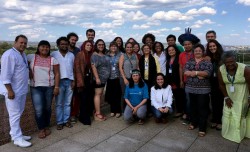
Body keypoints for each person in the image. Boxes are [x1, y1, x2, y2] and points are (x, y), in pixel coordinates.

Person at [0, 35, 32, 147]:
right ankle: (17, 139)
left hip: (21, 89)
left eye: (25, 43)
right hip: (12, 91)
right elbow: (5, 75)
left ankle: (16, 134)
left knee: (19, 113)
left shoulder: (22, 54)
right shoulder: (9, 55)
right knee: (14, 115)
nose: (23, 45)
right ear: (15, 42)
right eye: (21, 42)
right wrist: (9, 90)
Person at [27, 40, 60, 138]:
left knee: (47, 108)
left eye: (47, 47)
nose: (45, 48)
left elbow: (57, 74)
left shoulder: (53, 60)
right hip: (35, 87)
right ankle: (41, 129)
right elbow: (23, 64)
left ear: (49, 48)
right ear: (38, 47)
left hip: (49, 87)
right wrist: (29, 71)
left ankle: (46, 126)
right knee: (38, 109)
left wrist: (57, 87)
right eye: (42, 46)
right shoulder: (31, 57)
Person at [218, 51, 250, 143]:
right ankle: (230, 133)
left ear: (235, 59)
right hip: (229, 95)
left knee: (241, 112)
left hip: (242, 95)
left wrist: (249, 97)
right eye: (227, 62)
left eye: (232, 61)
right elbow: (221, 85)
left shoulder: (245, 69)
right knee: (229, 111)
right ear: (224, 62)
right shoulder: (221, 69)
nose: (230, 64)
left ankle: (242, 133)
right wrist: (226, 98)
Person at [184, 44, 213, 137]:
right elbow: (186, 72)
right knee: (193, 107)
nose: (197, 52)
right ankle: (193, 123)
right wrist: (199, 74)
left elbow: (207, 73)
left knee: (202, 108)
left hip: (203, 90)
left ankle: (202, 127)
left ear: (203, 51)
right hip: (191, 88)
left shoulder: (207, 62)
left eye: (199, 50)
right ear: (193, 52)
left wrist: (195, 72)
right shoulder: (190, 61)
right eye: (196, 51)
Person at [51, 37, 75, 130]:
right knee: (59, 103)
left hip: (69, 81)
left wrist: (74, 81)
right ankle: (59, 122)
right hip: (59, 82)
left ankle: (66, 120)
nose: (64, 45)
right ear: (58, 45)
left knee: (68, 103)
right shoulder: (54, 54)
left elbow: (73, 69)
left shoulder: (71, 55)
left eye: (66, 44)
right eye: (62, 44)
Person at [178, 28, 200, 125]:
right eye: (185, 44)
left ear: (192, 44)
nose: (187, 46)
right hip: (186, 81)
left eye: (189, 44)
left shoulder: (197, 53)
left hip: (197, 80)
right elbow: (180, 67)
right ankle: (188, 114)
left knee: (197, 99)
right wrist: (181, 80)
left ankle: (197, 116)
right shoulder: (181, 54)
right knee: (188, 99)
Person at [206, 39, 224, 130]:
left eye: (214, 46)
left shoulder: (222, 56)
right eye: (210, 47)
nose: (212, 48)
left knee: (221, 102)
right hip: (212, 82)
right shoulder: (208, 57)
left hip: (221, 82)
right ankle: (214, 119)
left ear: (217, 46)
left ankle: (220, 121)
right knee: (213, 101)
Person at [74, 40, 94, 125]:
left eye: (90, 45)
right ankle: (83, 117)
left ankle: (88, 115)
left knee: (89, 98)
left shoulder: (91, 55)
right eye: (87, 45)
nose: (89, 46)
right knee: (83, 99)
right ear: (84, 46)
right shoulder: (80, 54)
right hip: (82, 80)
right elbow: (77, 69)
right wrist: (80, 82)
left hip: (89, 79)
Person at [91, 39, 110, 121]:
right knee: (98, 94)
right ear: (96, 45)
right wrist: (97, 78)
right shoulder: (94, 55)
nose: (101, 46)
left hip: (104, 79)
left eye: (102, 44)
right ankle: (97, 113)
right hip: (99, 79)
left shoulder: (104, 54)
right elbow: (93, 67)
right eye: (99, 45)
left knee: (100, 94)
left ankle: (98, 111)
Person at [139, 44, 160, 115]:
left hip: (153, 79)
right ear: (142, 50)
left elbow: (158, 69)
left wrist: (158, 79)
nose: (146, 49)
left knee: (153, 95)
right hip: (144, 80)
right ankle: (147, 110)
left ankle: (153, 110)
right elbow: (139, 69)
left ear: (150, 49)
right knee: (145, 95)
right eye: (144, 48)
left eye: (147, 48)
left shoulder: (154, 58)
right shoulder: (141, 58)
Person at [165, 45, 185, 118]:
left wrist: (181, 80)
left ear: (176, 50)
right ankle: (178, 110)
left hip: (178, 80)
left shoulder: (179, 58)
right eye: (169, 50)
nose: (171, 51)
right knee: (175, 96)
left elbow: (181, 69)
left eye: (172, 50)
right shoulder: (168, 59)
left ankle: (181, 111)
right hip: (170, 81)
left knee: (180, 96)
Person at [105, 41, 122, 118]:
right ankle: (112, 110)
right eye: (112, 46)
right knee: (111, 95)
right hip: (109, 78)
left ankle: (118, 110)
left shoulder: (120, 55)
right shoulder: (106, 56)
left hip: (117, 78)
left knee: (117, 95)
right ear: (110, 47)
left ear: (117, 47)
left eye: (115, 46)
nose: (113, 47)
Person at [67, 32, 80, 124]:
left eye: (75, 40)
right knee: (68, 98)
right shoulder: (64, 49)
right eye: (72, 39)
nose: (74, 41)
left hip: (76, 76)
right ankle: (67, 115)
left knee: (76, 97)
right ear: (68, 39)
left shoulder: (77, 50)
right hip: (66, 77)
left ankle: (74, 114)